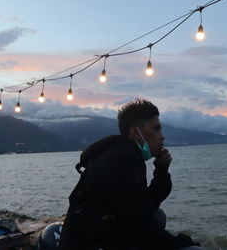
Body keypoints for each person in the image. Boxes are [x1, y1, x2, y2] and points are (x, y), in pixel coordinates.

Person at [58, 99, 201, 250]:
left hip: (104, 233)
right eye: (156, 129)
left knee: (158, 215)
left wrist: (161, 169)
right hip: (92, 242)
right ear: (135, 132)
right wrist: (183, 243)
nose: (162, 136)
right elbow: (140, 224)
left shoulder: (126, 154)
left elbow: (147, 204)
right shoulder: (122, 160)